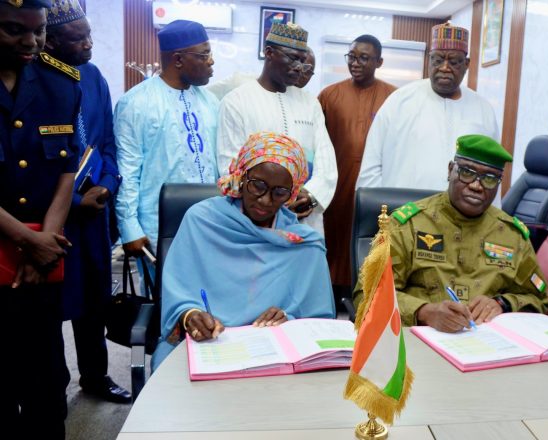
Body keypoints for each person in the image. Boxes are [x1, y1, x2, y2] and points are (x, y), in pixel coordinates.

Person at [152, 131, 336, 369]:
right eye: (257, 185)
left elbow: (317, 322)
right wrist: (190, 316)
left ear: (292, 193)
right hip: (207, 344)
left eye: (279, 192)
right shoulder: (202, 220)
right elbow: (179, 292)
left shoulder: (304, 246)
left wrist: (288, 319)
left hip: (274, 354)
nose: (265, 201)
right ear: (241, 176)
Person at [354, 135, 548, 332]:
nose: (476, 185)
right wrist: (424, 312)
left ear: (499, 183)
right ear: (450, 170)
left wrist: (503, 303)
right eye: (466, 172)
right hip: (419, 343)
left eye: (489, 179)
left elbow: (539, 300)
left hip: (487, 348)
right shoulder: (408, 225)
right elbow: (367, 295)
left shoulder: (512, 235)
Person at [0, 0, 80, 436]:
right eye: (14, 30)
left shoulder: (60, 84)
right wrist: (27, 242)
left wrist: (45, 241)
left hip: (41, 267)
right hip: (15, 253)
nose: (31, 41)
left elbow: (67, 169)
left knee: (46, 385)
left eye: (40, 30)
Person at [44, 0, 130, 404]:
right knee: (51, 306)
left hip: (96, 213)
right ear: (52, 40)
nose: (89, 45)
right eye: (79, 39)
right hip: (53, 216)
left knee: (94, 301)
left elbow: (107, 142)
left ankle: (94, 376)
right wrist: (73, 199)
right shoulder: (35, 78)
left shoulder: (94, 77)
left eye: (90, 35)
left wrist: (108, 186)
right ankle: (52, 386)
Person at [217, 22, 336, 235]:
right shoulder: (237, 101)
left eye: (302, 60)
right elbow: (230, 165)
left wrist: (310, 195)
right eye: (293, 58)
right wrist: (271, 200)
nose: (299, 66)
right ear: (269, 52)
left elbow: (326, 161)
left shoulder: (310, 103)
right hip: (255, 218)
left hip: (304, 216)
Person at [115, 19, 219, 258]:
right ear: (178, 59)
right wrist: (129, 227)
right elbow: (127, 170)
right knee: (160, 294)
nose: (211, 61)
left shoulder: (210, 102)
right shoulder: (136, 102)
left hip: (210, 222)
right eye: (204, 55)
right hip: (158, 226)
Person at [357, 23, 499, 191]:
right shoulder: (399, 101)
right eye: (438, 60)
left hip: (462, 216)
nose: (445, 68)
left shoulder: (483, 110)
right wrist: (378, 209)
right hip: (403, 212)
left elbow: (492, 171)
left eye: (454, 62)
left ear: (466, 64)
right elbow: (371, 168)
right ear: (429, 60)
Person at [318, 34, 396, 294]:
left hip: (377, 186)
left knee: (371, 237)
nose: (356, 63)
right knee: (335, 236)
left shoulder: (394, 97)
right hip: (336, 183)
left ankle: (366, 289)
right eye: (352, 57)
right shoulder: (329, 95)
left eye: (364, 58)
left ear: (379, 61)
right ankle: (331, 290)